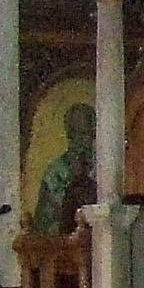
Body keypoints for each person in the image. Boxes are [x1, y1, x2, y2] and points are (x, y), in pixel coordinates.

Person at [30, 102, 98, 239]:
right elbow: (42, 225)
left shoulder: (103, 167)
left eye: (84, 133)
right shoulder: (54, 174)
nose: (78, 141)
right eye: (73, 134)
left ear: (93, 134)